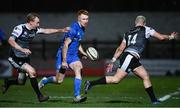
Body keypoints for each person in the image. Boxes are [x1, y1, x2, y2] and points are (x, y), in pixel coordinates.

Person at [84, 15, 178, 104]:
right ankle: (91, 83)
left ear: (135, 22)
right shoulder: (146, 29)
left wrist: (113, 60)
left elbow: (120, 48)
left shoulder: (128, 33)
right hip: (130, 57)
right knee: (116, 79)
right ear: (144, 23)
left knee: (145, 76)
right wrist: (171, 37)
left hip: (131, 57)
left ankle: (154, 100)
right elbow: (161, 37)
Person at [1, 13, 70, 102]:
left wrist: (61, 30)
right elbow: (10, 40)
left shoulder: (34, 29)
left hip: (24, 57)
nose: (38, 25)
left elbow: (46, 31)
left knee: (21, 82)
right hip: (15, 57)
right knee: (32, 72)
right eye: (37, 23)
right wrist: (22, 49)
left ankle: (8, 82)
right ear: (30, 22)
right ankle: (40, 96)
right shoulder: (19, 28)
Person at [38, 9, 89, 103]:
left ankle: (77, 96)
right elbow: (65, 45)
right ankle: (45, 80)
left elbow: (78, 42)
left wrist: (83, 53)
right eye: (83, 19)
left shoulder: (82, 29)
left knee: (79, 69)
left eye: (87, 19)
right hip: (63, 55)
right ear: (78, 18)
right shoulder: (73, 29)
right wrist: (64, 61)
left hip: (73, 56)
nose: (86, 21)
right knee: (59, 80)